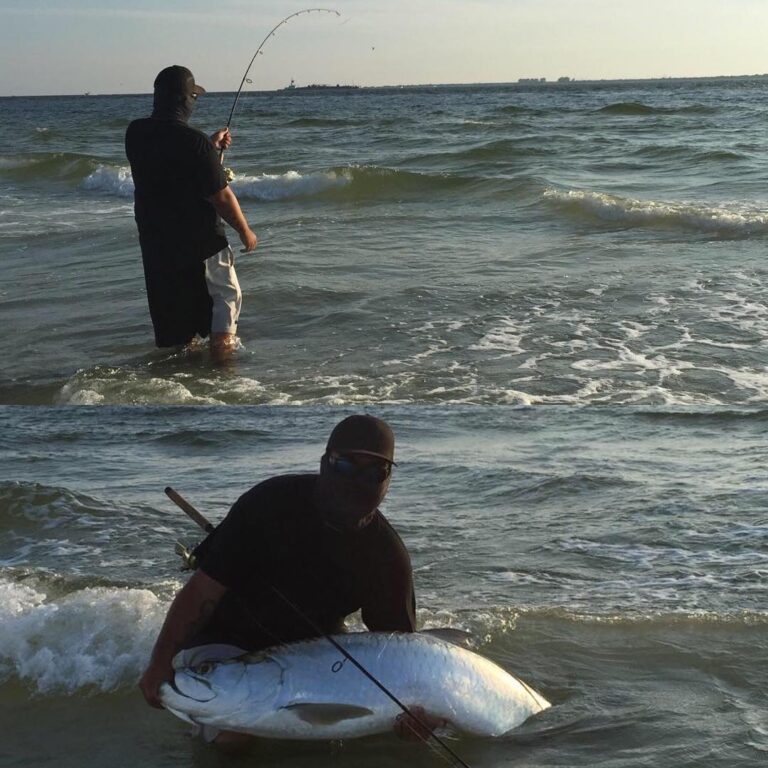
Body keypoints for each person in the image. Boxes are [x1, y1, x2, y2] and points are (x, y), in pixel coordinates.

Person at [140, 414, 441, 745]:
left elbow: (400, 653)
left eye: (374, 471)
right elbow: (201, 592)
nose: (357, 479)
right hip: (225, 639)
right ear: (325, 463)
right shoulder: (267, 504)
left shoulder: (388, 557)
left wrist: (416, 715)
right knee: (233, 738)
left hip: (315, 657)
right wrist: (160, 662)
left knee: (349, 739)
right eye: (345, 465)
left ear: (388, 480)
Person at [125, 65, 258, 359]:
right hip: (202, 243)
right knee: (226, 299)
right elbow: (221, 196)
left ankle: (185, 378)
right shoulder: (194, 144)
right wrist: (245, 232)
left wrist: (209, 148)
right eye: (193, 97)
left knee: (177, 314)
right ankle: (223, 373)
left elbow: (170, 164)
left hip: (158, 244)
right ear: (185, 100)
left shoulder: (135, 133)